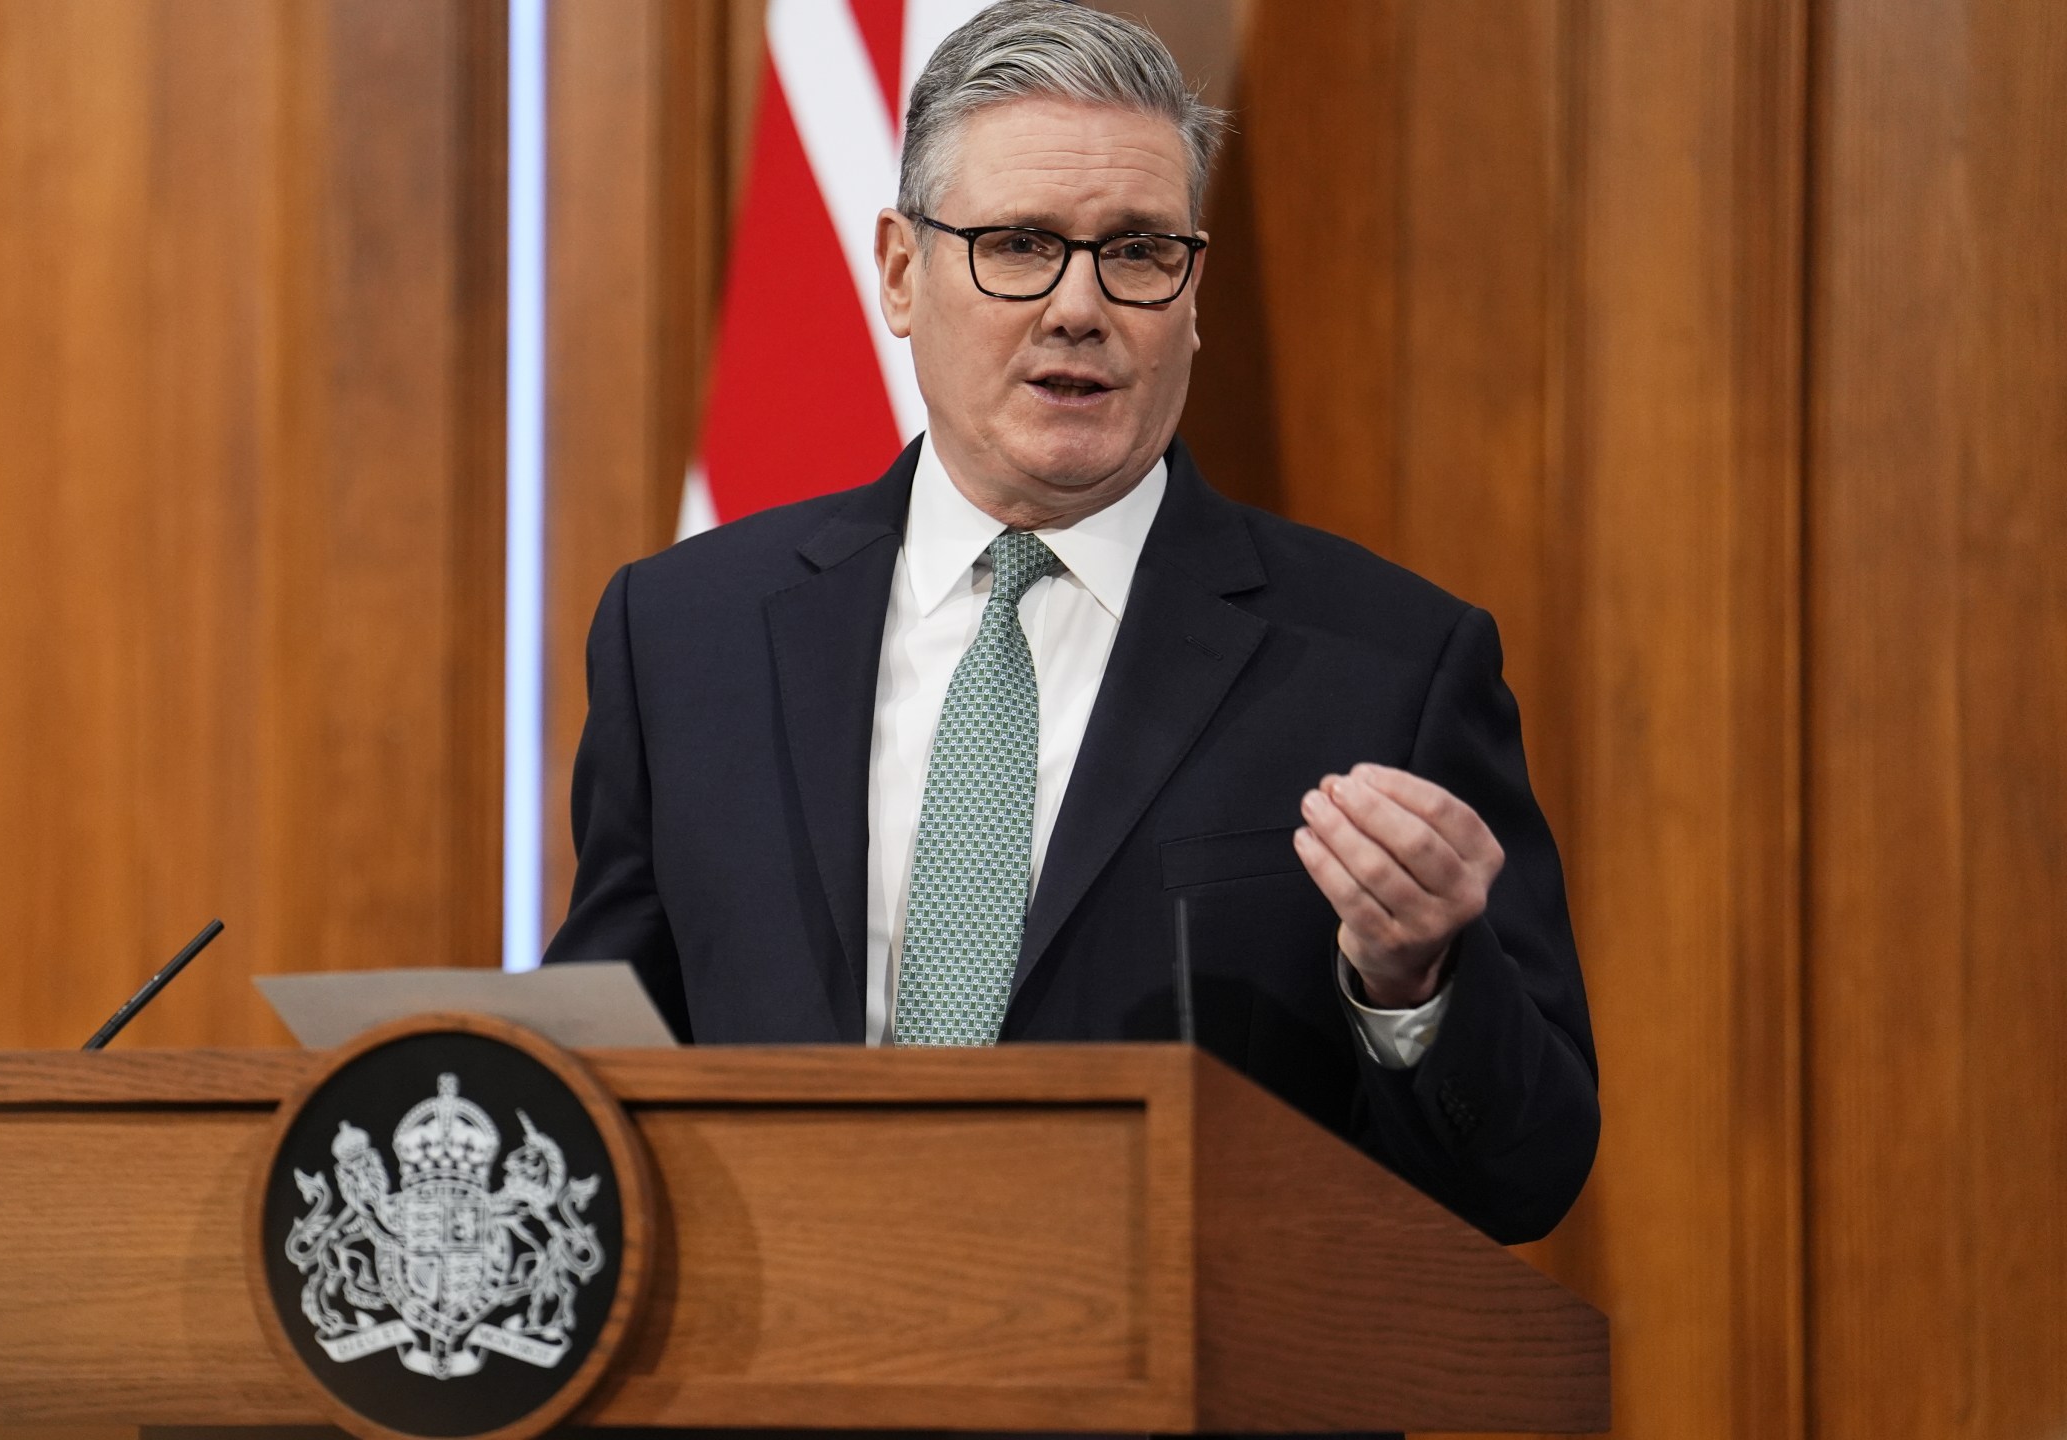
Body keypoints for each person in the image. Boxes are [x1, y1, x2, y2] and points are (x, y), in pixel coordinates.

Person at [545, 0, 1597, 1250]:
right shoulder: (685, 636)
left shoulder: (1384, 667)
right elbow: (603, 1068)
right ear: (896, 269)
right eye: (1020, 244)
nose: (1078, 306)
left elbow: (1527, 1177)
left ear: (1192, 291)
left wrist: (1415, 985)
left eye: (1139, 250)